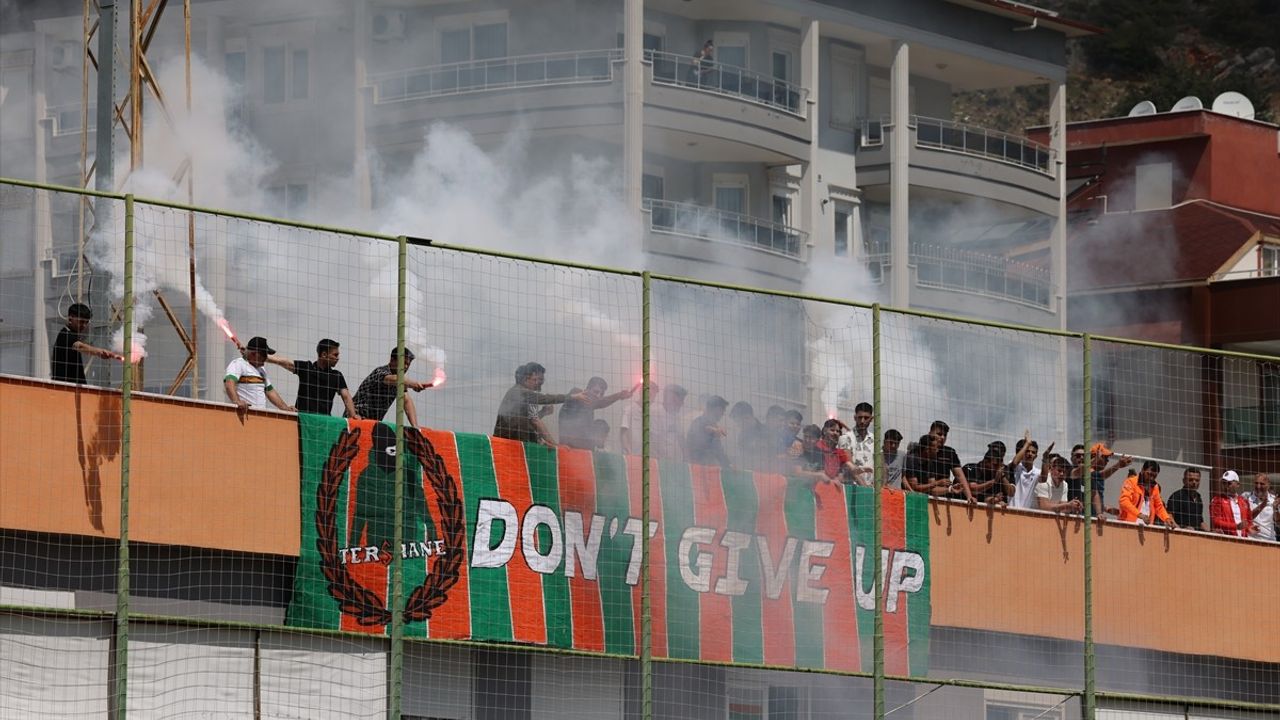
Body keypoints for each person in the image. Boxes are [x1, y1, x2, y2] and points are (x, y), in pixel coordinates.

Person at [493, 362, 588, 447]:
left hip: (512, 442)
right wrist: (572, 396)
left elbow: (530, 420)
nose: (540, 384)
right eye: (537, 380)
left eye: (541, 380)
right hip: (506, 443)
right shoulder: (521, 392)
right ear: (526, 379)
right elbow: (536, 419)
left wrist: (543, 412)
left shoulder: (523, 394)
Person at [266, 338, 360, 417]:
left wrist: (354, 417)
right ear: (324, 355)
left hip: (324, 423)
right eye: (335, 355)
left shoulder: (336, 375)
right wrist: (263, 357)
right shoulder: (307, 368)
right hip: (302, 421)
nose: (338, 358)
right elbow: (285, 362)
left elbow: (346, 397)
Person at [352, 347, 436, 428]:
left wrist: (415, 426)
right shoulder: (381, 372)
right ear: (392, 360)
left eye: (408, 364)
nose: (406, 367)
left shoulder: (399, 381)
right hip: (355, 418)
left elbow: (406, 401)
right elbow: (394, 379)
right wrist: (414, 384)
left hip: (372, 423)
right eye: (404, 363)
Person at [558, 377, 635, 450]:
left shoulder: (589, 402)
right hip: (569, 448)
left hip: (583, 448)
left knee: (601, 425)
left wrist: (619, 395)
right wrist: (619, 395)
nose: (598, 396)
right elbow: (601, 402)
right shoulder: (576, 393)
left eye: (601, 394)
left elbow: (601, 402)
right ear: (587, 389)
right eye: (596, 391)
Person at [224, 336, 295, 413]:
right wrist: (237, 401)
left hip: (260, 416)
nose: (266, 358)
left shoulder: (261, 370)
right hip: (245, 414)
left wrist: (286, 409)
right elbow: (229, 383)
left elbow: (270, 392)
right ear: (254, 354)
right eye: (264, 354)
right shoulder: (238, 364)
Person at [51, 302, 117, 383]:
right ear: (70, 318)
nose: (84, 325)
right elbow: (80, 346)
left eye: (86, 322)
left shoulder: (71, 334)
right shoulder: (66, 334)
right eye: (81, 322)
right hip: (66, 387)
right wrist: (99, 352)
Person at [1071, 442, 1131, 517]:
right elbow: (1101, 475)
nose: (1107, 461)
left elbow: (1092, 498)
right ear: (1095, 456)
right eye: (1105, 457)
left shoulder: (1093, 474)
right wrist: (1117, 465)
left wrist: (1105, 508)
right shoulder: (1084, 473)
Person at [927, 420, 975, 504]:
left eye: (945, 435)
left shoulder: (949, 452)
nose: (942, 437)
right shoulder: (921, 450)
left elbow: (960, 476)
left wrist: (969, 496)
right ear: (930, 433)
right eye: (939, 434)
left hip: (944, 496)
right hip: (925, 494)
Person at [1117, 460, 1177, 528]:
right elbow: (1124, 502)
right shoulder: (1131, 482)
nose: (1151, 478)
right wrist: (1140, 515)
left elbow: (1159, 506)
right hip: (1128, 524)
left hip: (1147, 527)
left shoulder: (1155, 487)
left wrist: (1167, 519)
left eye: (1154, 476)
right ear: (1142, 470)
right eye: (1149, 474)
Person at [1009, 431, 1052, 510]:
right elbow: (1014, 463)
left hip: (1025, 513)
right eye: (1027, 451)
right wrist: (1027, 443)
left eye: (1033, 452)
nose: (1030, 454)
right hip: (1010, 510)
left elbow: (1044, 479)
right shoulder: (1017, 466)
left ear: (1036, 456)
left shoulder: (1036, 472)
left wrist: (1045, 458)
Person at [686, 395, 732, 468]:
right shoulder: (698, 422)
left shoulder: (715, 426)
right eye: (721, 409)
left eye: (723, 410)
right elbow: (695, 444)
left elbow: (719, 450)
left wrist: (728, 465)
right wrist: (712, 431)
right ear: (712, 409)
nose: (722, 414)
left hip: (708, 467)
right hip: (696, 466)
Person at [837, 402, 875, 485]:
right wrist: (864, 486)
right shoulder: (846, 438)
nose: (862, 421)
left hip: (872, 488)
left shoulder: (874, 439)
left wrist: (878, 485)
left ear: (871, 419)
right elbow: (849, 465)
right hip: (852, 488)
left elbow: (881, 465)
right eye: (860, 417)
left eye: (866, 418)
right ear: (855, 418)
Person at [650, 384, 689, 461]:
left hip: (674, 463)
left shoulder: (676, 417)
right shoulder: (655, 413)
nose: (682, 403)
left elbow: (681, 439)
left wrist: (687, 458)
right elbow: (653, 442)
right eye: (681, 399)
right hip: (658, 462)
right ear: (672, 398)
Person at [1210, 470, 1252, 537]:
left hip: (1243, 540)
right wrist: (1235, 526)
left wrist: (1250, 528)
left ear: (1238, 484)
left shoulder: (1244, 501)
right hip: (1226, 539)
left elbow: (1248, 521)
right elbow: (1216, 521)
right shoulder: (1217, 500)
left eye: (1229, 483)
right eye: (1224, 483)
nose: (1226, 486)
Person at [618, 383, 655, 455]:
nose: (650, 397)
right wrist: (628, 451)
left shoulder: (653, 413)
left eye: (653, 396)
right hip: (631, 456)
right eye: (649, 394)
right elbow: (623, 433)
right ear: (641, 392)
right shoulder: (629, 409)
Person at [1244, 473, 1276, 542]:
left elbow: (1278, 522)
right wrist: (1263, 505)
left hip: (1269, 540)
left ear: (1268, 485)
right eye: (1256, 483)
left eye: (1262, 484)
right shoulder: (1246, 497)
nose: (1258, 486)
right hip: (1250, 539)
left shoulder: (1274, 500)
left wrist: (1276, 509)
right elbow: (1245, 518)